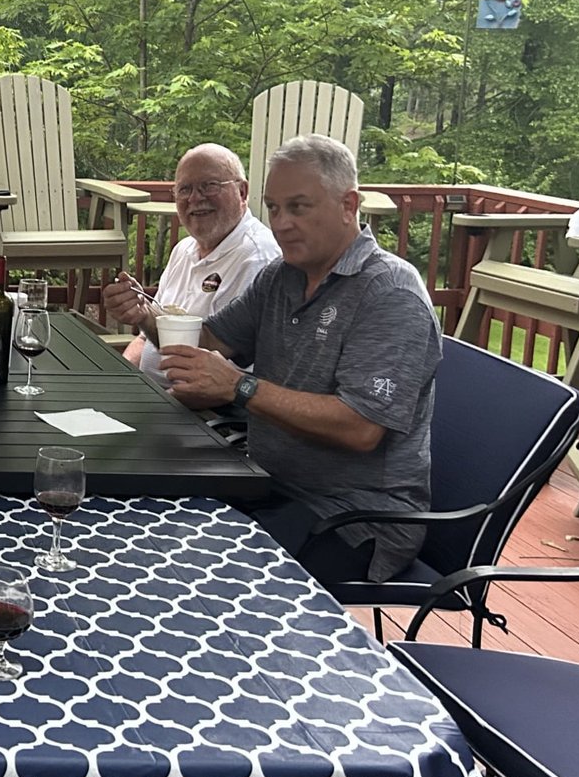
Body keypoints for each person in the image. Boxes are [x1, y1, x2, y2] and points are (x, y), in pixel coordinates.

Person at [105, 135, 441, 585]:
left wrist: (239, 387)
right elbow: (209, 339)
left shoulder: (389, 294)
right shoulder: (281, 277)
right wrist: (145, 317)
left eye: (298, 207)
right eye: (275, 208)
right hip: (262, 481)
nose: (281, 223)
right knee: (136, 519)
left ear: (349, 205)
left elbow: (360, 428)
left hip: (353, 519)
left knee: (189, 571)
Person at [116, 144, 279, 384]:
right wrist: (122, 379)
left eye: (209, 186)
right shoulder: (184, 249)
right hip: (149, 390)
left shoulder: (256, 259)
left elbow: (222, 378)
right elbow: (144, 340)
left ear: (242, 192)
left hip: (192, 404)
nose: (195, 198)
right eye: (185, 189)